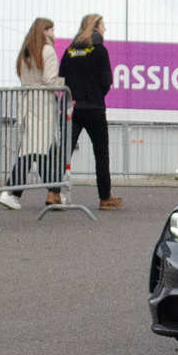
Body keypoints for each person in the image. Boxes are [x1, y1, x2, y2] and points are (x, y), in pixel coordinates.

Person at [59, 13, 120, 210]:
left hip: (73, 107)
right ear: (95, 27)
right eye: (103, 25)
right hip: (94, 108)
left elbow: (62, 78)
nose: (105, 29)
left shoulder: (69, 50)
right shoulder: (99, 50)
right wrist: (96, 95)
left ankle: (52, 192)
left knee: (64, 152)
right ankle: (105, 198)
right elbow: (106, 80)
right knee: (101, 153)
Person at [1, 18, 64, 210]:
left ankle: (54, 192)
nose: (54, 33)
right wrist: (64, 83)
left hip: (27, 100)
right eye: (51, 29)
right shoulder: (47, 50)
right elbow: (49, 79)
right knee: (33, 151)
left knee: (39, 149)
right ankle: (11, 191)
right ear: (44, 31)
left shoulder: (26, 51)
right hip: (42, 103)